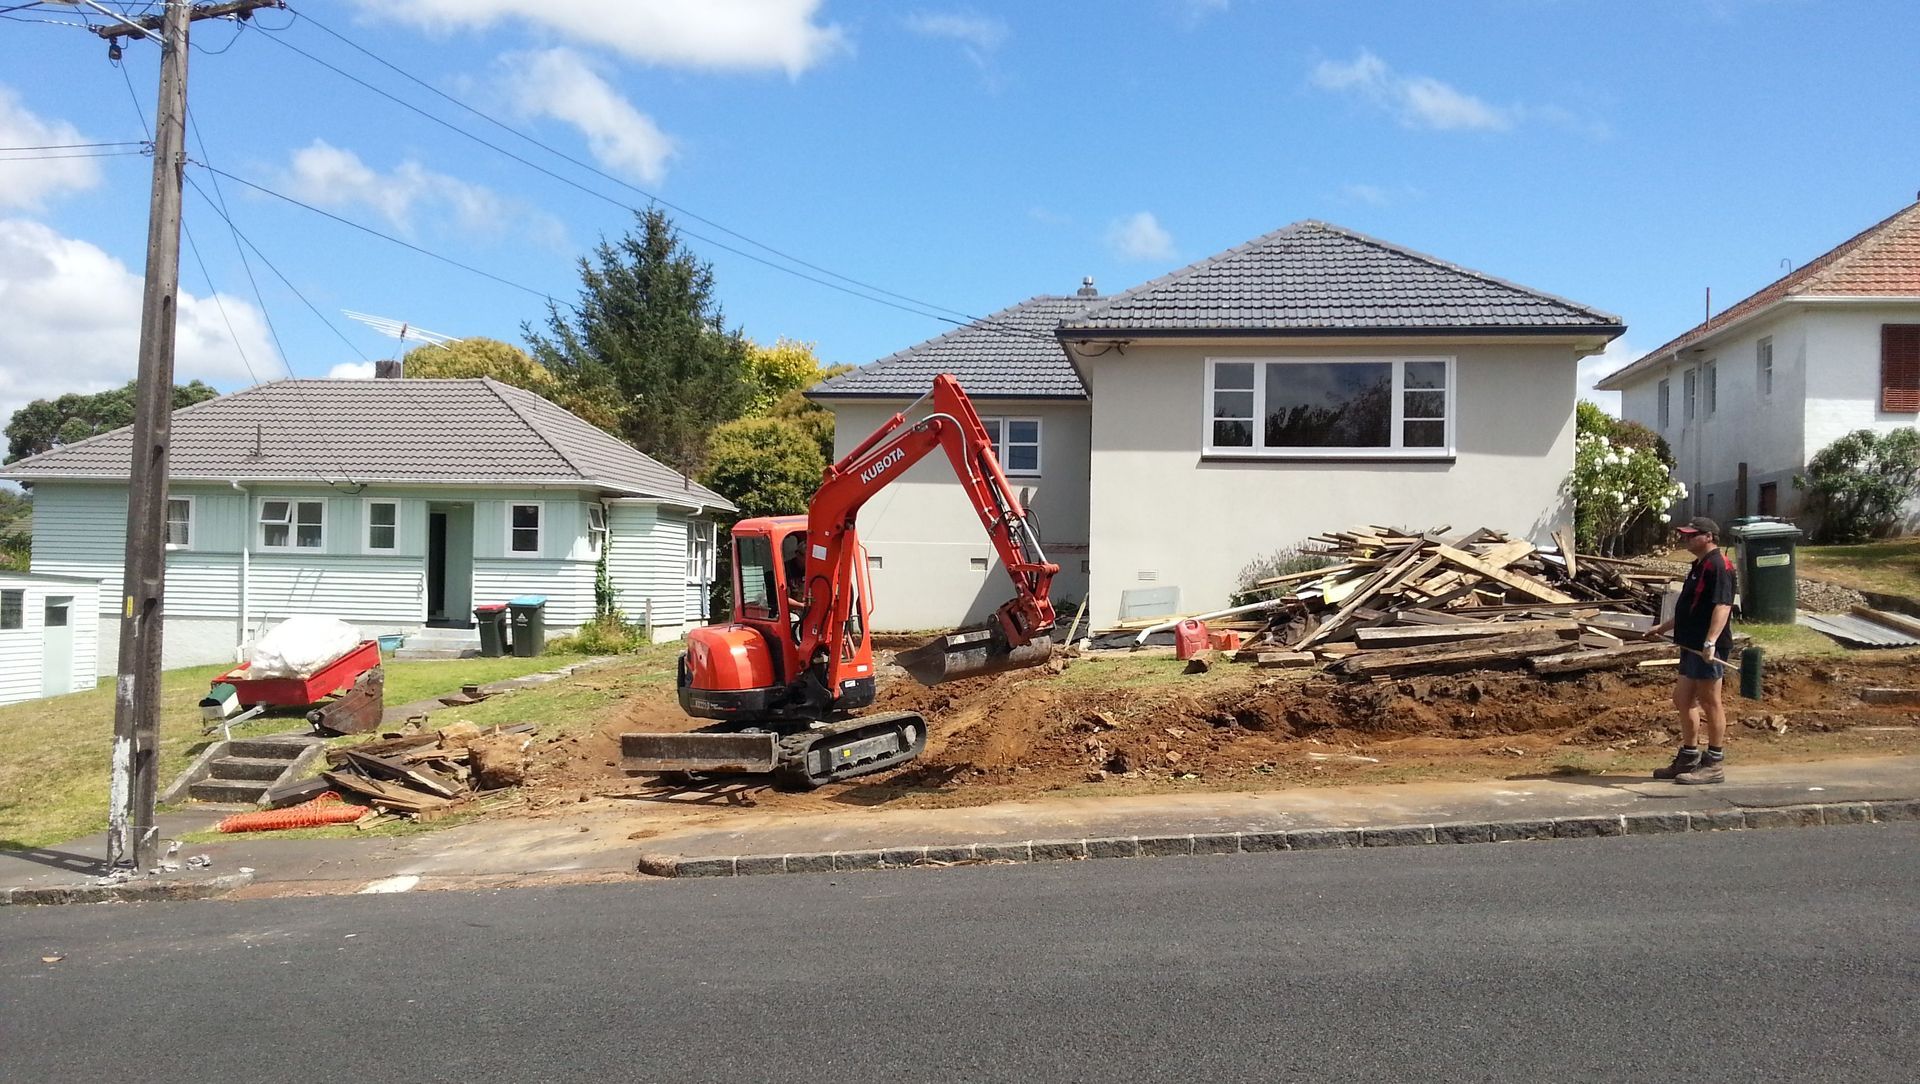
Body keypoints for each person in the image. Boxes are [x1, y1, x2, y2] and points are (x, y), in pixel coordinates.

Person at [1644, 516, 1736, 784]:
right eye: (1685, 535)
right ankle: (1689, 757)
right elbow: (1689, 608)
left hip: (1706, 647)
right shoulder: (1699, 565)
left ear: (1708, 537)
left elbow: (1723, 605)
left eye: (1691, 535)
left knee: (1710, 701)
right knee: (1682, 699)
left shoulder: (1719, 565)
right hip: (1690, 643)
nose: (1685, 539)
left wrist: (1711, 642)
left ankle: (1714, 763)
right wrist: (1662, 628)